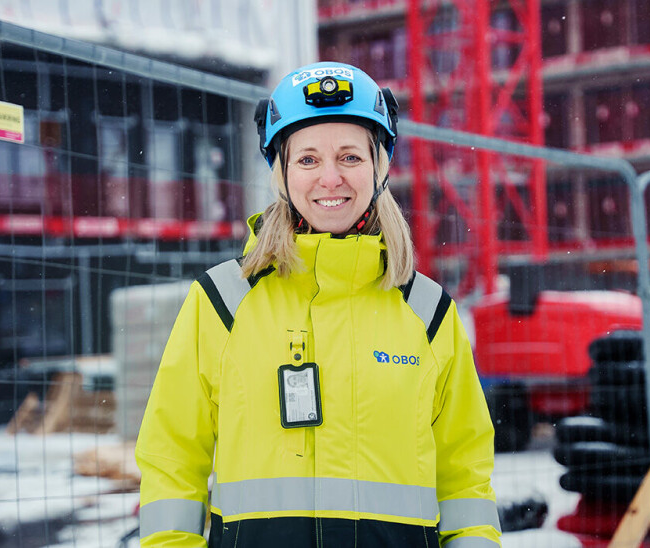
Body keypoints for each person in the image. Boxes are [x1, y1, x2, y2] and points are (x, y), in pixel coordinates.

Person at [135, 62, 501, 547]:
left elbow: (465, 478)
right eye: (308, 160)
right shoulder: (221, 303)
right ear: (281, 173)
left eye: (350, 157)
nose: (330, 178)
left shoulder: (429, 314)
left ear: (380, 167)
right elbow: (171, 460)